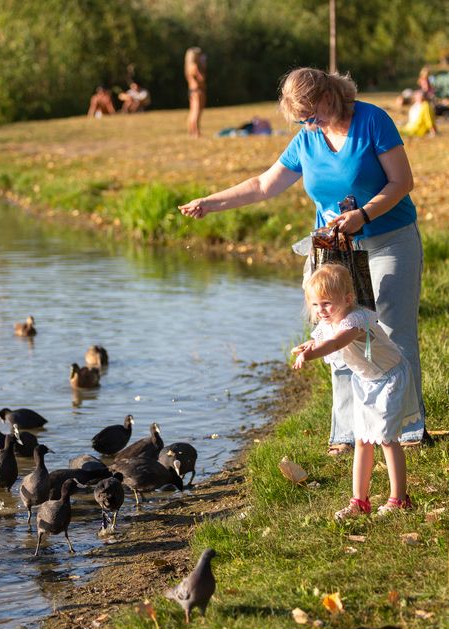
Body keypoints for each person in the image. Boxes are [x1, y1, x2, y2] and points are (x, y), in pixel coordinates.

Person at [179, 67, 427, 449]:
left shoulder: (372, 120)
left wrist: (363, 215)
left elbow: (402, 182)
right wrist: (210, 203)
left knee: (393, 330)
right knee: (336, 335)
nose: (310, 124)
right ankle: (349, 432)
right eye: (302, 120)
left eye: (313, 115)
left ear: (330, 96)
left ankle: (406, 427)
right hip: (335, 250)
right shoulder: (307, 138)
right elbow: (263, 185)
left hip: (389, 239)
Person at [291, 264, 420, 517]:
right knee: (362, 439)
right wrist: (309, 345)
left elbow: (336, 342)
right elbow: (323, 338)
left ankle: (399, 499)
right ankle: (359, 502)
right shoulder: (330, 322)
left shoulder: (356, 320)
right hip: (366, 382)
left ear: (348, 299)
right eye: (315, 305)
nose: (321, 311)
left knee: (387, 439)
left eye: (327, 303)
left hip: (389, 378)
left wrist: (312, 354)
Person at [185, 47, 207, 138]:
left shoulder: (188, 66)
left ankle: (191, 131)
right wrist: (203, 65)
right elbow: (201, 79)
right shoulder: (195, 66)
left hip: (192, 91)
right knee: (197, 112)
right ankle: (196, 132)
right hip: (197, 91)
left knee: (192, 112)